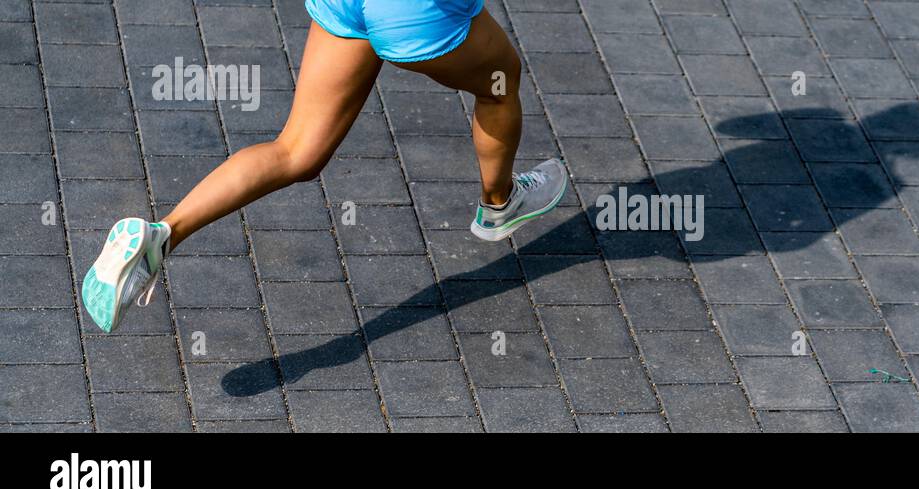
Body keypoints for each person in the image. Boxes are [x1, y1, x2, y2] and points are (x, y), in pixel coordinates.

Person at [81, 0, 566, 333]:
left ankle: (159, 236)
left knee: (297, 150)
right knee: (500, 82)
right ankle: (500, 203)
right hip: (414, 11)